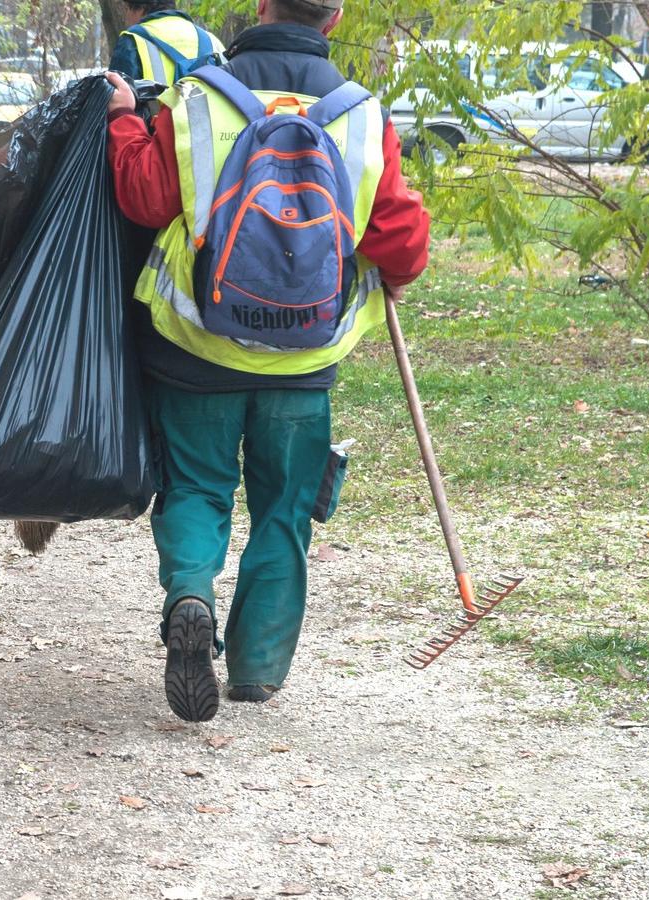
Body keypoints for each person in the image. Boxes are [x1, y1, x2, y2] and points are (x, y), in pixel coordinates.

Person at [104, 0, 431, 721]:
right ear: (335, 18)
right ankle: (256, 667)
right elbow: (401, 240)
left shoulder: (198, 97)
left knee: (196, 488)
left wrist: (125, 121)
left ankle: (190, 594)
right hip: (306, 358)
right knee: (284, 509)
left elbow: (144, 197)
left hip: (196, 347)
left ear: (259, 9)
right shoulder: (363, 116)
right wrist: (393, 273)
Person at [110, 0, 226, 84]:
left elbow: (118, 105)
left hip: (157, 118)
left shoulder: (133, 40)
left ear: (137, 8)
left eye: (126, 10)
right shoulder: (212, 40)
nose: (126, 19)